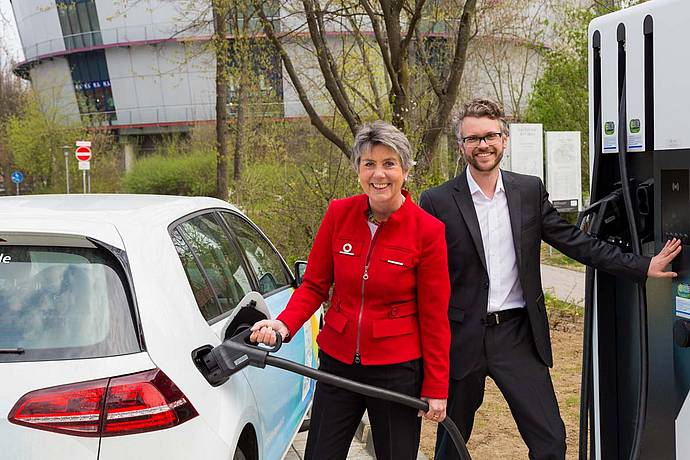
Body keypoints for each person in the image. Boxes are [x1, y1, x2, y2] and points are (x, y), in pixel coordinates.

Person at [419, 98, 682, 460]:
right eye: (473, 138)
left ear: (504, 138)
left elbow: (576, 242)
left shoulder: (528, 190)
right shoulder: (437, 201)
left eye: (491, 135)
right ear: (461, 144)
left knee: (551, 442)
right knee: (451, 444)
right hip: (461, 337)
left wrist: (641, 265)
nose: (483, 144)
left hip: (517, 335)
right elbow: (421, 277)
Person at [251, 121, 451, 460]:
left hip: (396, 368)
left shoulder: (428, 231)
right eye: (369, 164)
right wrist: (281, 325)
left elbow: (434, 317)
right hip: (338, 362)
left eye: (389, 163)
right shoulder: (338, 214)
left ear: (404, 170)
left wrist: (436, 386)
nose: (379, 174)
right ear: (358, 169)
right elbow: (313, 285)